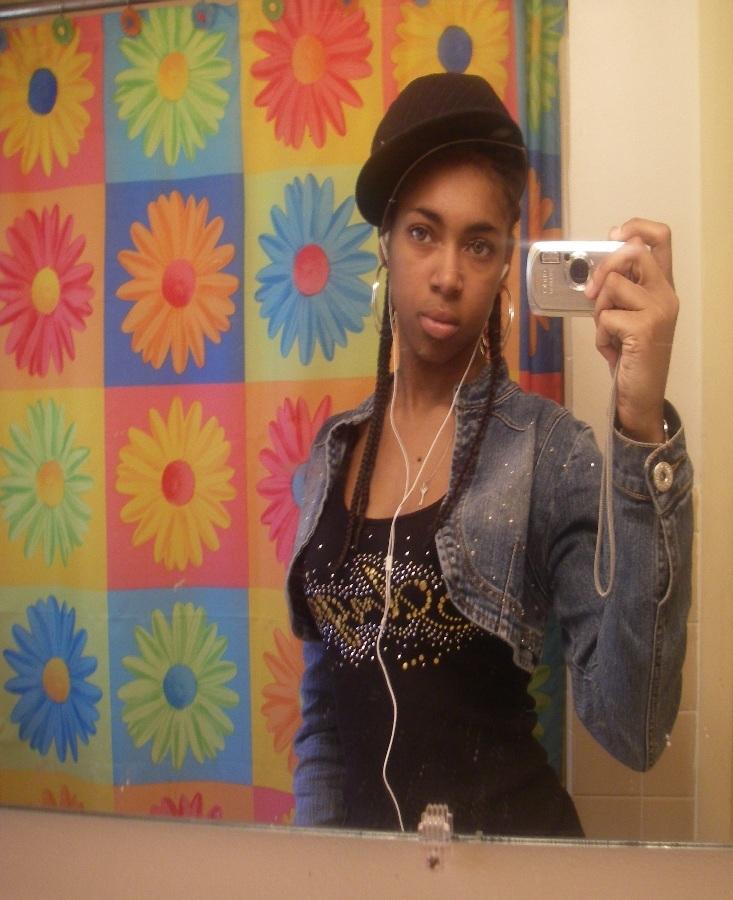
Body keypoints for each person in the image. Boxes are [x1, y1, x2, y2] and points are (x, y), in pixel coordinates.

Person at [287, 72, 692, 838]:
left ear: (506, 263)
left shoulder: (549, 452)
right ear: (385, 242)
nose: (448, 276)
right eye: (423, 233)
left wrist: (641, 425)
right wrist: (321, 869)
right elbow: (324, 723)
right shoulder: (331, 456)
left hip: (515, 866)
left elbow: (631, 728)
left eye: (478, 244)